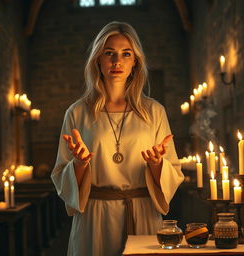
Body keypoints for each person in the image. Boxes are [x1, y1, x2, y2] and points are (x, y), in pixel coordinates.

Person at [51, 21, 184, 256]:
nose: (117, 61)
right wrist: (80, 164)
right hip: (95, 218)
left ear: (135, 62)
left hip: (142, 214)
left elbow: (172, 171)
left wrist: (156, 165)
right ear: (98, 60)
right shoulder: (77, 112)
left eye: (126, 54)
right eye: (109, 53)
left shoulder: (154, 111)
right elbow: (61, 174)